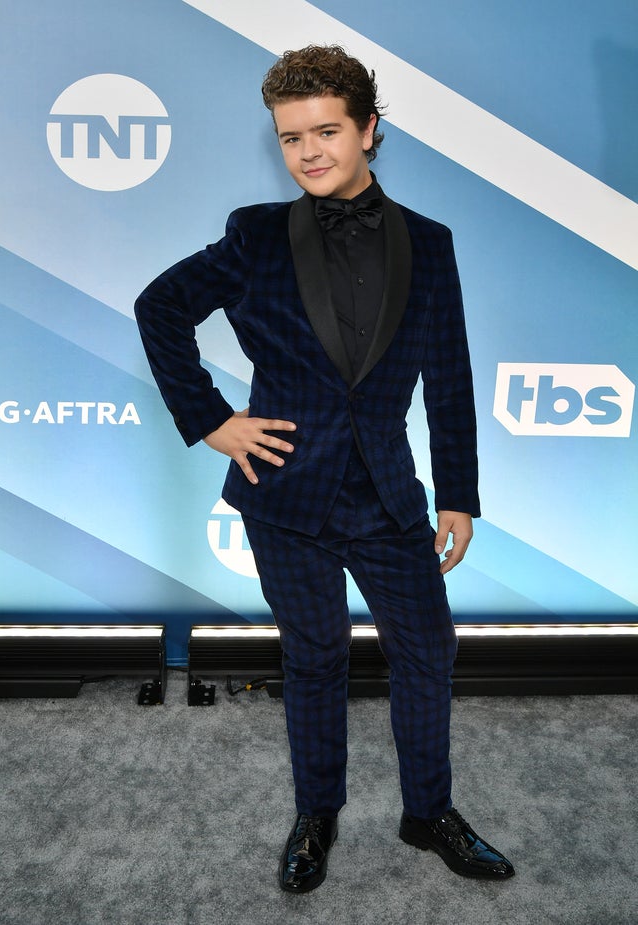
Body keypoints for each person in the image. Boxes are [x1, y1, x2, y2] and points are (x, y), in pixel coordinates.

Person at [135, 44, 514, 892]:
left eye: (327, 131)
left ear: (370, 130)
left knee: (429, 651)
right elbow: (159, 307)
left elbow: (449, 374)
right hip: (286, 495)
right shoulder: (255, 233)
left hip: (387, 493)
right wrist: (213, 421)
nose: (308, 151)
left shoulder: (431, 243)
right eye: (290, 137)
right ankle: (317, 813)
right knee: (313, 656)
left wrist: (457, 491)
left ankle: (429, 813)